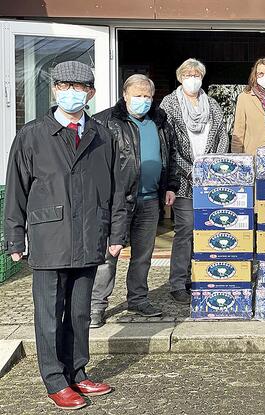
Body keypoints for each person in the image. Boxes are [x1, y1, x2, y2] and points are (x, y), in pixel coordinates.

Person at [3, 61, 127, 409]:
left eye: (80, 87)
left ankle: (77, 371)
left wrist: (117, 232)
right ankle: (55, 380)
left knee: (80, 311)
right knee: (48, 312)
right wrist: (15, 238)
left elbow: (117, 189)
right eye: (64, 86)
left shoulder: (103, 135)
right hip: (49, 235)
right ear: (55, 90)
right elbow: (16, 190)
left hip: (90, 234)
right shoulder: (32, 135)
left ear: (91, 93)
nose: (72, 92)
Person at [89, 74, 179, 328]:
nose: (143, 100)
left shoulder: (160, 122)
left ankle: (138, 299)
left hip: (150, 200)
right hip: (115, 201)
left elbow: (169, 155)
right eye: (138, 95)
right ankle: (96, 306)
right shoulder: (105, 122)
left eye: (148, 96)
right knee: (109, 254)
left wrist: (170, 186)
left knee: (143, 255)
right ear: (125, 95)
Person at [160, 58, 228, 304]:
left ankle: (204, 276)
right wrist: (190, 170)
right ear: (180, 77)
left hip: (211, 179)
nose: (193, 77)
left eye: (197, 74)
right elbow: (169, 144)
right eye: (188, 74)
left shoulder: (212, 104)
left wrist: (214, 167)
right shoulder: (169, 103)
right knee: (185, 229)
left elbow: (222, 136)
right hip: (184, 179)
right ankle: (178, 282)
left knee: (209, 229)